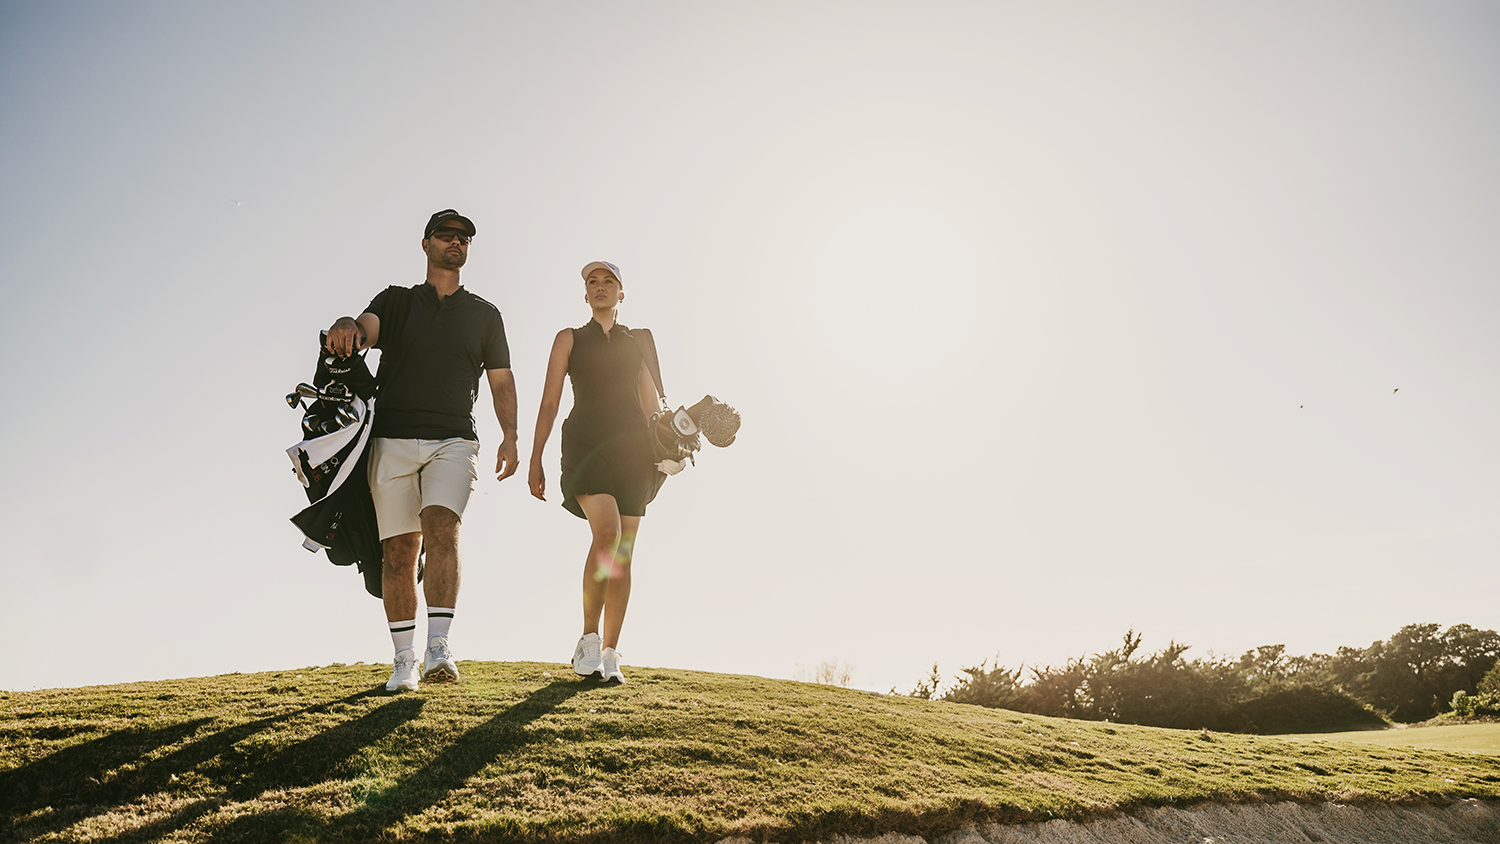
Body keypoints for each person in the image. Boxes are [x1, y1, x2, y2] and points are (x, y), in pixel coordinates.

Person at [325, 209, 518, 693]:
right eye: (446, 235)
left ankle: (438, 647)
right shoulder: (395, 302)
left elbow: (501, 382)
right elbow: (364, 330)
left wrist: (512, 438)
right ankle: (404, 659)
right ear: (427, 244)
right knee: (399, 551)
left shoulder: (485, 314)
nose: (456, 243)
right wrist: (348, 323)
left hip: (454, 437)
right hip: (390, 438)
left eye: (464, 238)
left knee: (442, 528)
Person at [529, 261, 663, 684]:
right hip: (586, 446)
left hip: (634, 453)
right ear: (584, 294)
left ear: (622, 293)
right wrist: (536, 458)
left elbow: (652, 407)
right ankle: (587, 640)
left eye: (609, 282)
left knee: (622, 555)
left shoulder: (640, 341)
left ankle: (610, 653)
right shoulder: (568, 339)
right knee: (607, 535)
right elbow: (549, 402)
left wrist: (669, 446)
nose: (600, 287)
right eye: (592, 282)